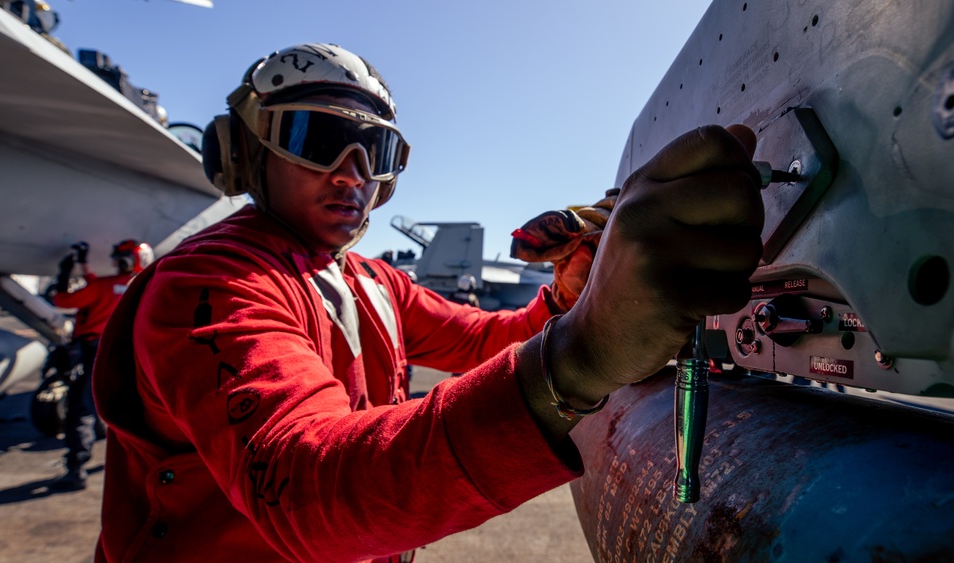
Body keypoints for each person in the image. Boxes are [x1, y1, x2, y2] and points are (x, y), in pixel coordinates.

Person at [92, 43, 764, 562]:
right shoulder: (210, 286)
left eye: (374, 149)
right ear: (243, 151)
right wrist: (577, 356)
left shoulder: (369, 282)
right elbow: (299, 482)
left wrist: (567, 296)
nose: (352, 172)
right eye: (319, 140)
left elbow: (482, 341)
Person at [47, 239, 152, 490]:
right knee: (128, 411)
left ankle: (75, 470)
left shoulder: (103, 286)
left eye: (118, 257)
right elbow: (102, 287)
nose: (114, 261)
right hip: (132, 354)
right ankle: (137, 464)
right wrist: (84, 265)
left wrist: (64, 273)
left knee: (80, 411)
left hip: (96, 352)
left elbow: (63, 300)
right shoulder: (143, 285)